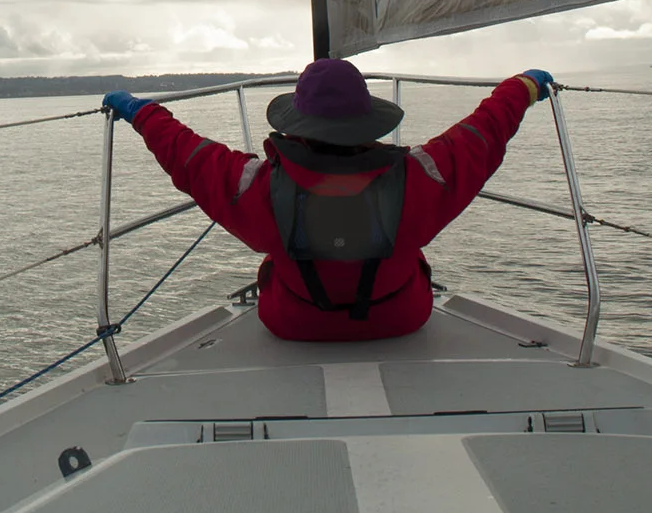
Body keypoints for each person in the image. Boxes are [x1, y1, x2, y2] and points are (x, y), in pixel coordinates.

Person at [102, 58, 554, 342]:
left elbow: (188, 153)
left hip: (292, 324)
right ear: (368, 122)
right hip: (401, 319)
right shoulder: (421, 179)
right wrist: (524, 87)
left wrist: (140, 111)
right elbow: (483, 132)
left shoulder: (256, 187)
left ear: (296, 123)